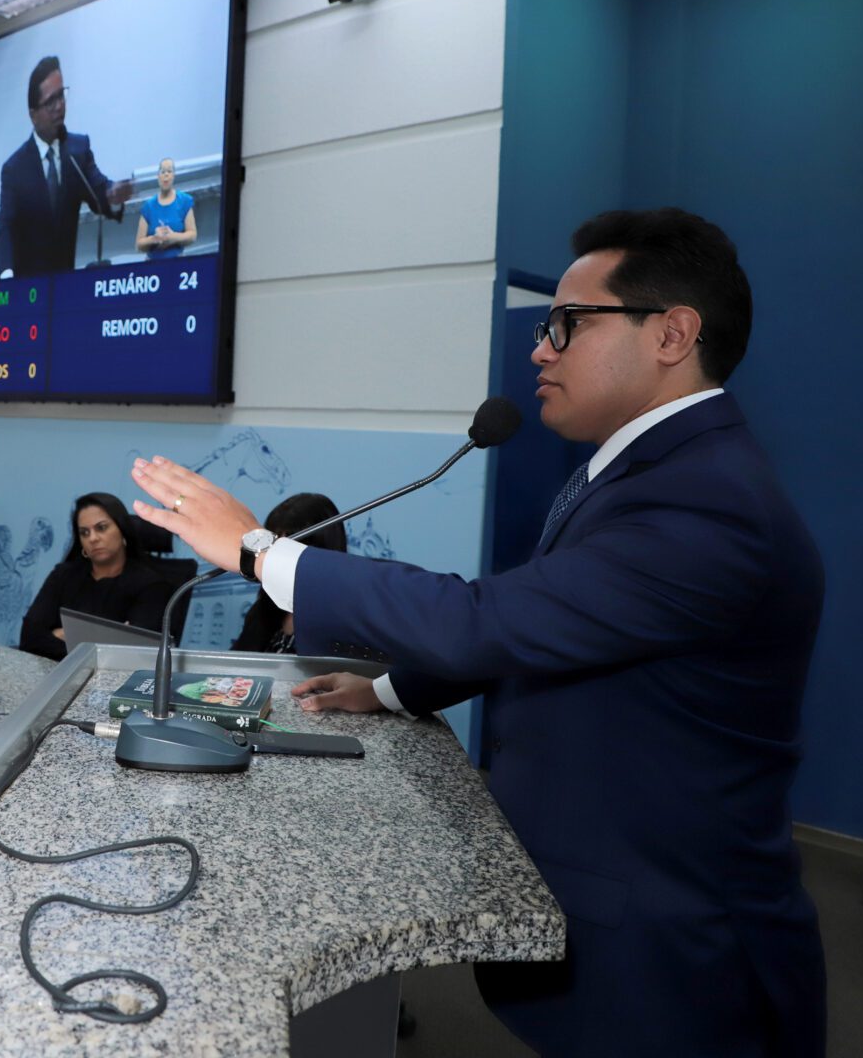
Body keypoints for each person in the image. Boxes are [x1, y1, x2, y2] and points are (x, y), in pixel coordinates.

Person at [130, 208, 827, 1057]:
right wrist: (391, 690)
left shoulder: (709, 502)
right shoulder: (645, 474)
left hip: (680, 946)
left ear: (672, 334)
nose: (541, 350)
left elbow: (485, 620)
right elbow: (546, 628)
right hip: (623, 903)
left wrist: (261, 552)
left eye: (568, 324)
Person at [0, 55, 132, 278]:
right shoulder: (15, 168)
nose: (59, 106)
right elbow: (6, 228)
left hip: (66, 283)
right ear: (33, 115)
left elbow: (99, 192)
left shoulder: (77, 151)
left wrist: (113, 196)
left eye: (61, 96)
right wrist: (6, 276)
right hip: (27, 286)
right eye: (50, 101)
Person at [18, 492, 172, 660]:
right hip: (56, 671)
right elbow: (29, 638)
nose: (92, 538)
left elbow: (134, 654)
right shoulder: (63, 575)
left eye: (101, 528)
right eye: (84, 532)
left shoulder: (151, 585)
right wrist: (106, 639)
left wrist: (65, 635)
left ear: (122, 530)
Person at [230, 493, 345, 655]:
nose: (277, 558)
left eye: (291, 547)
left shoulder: (344, 618)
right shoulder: (261, 610)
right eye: (274, 545)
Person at [135, 158, 198, 259]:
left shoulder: (185, 201)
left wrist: (173, 237)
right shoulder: (148, 206)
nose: (166, 175)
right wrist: (155, 239)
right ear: (158, 176)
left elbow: (192, 235)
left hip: (178, 261)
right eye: (163, 172)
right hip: (152, 264)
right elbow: (139, 244)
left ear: (174, 176)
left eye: (169, 171)